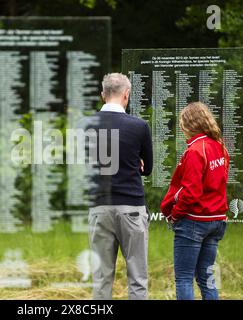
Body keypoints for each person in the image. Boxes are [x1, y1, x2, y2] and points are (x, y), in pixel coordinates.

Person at [88, 72, 153, 300]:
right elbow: (148, 168)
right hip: (132, 209)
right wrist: (136, 163)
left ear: (102, 95)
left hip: (99, 207)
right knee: (137, 278)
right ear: (127, 95)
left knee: (101, 278)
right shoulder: (139, 126)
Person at [161, 102, 229, 300]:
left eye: (182, 124)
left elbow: (191, 193)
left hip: (194, 220)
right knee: (207, 278)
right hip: (216, 220)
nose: (182, 130)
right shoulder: (219, 146)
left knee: (183, 278)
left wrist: (175, 214)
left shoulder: (195, 151)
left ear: (190, 124)